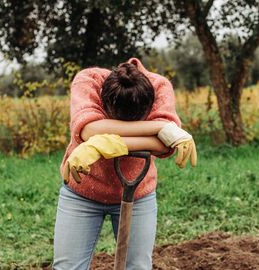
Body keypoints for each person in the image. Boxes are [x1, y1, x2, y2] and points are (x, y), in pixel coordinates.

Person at [52, 57, 197, 270]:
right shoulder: (88, 81)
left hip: (138, 194)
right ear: (104, 100)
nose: (125, 126)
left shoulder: (159, 87)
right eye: (116, 121)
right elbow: (88, 129)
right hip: (82, 192)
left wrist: (105, 137)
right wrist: (159, 129)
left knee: (138, 267)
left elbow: (164, 147)